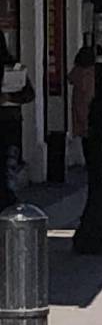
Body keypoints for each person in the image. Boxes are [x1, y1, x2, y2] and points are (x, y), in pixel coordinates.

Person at [1, 33, 34, 211]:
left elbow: (29, 93)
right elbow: (29, 94)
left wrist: (8, 97)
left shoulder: (13, 68)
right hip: (11, 121)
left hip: (9, 122)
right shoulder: (14, 66)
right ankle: (8, 198)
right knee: (9, 163)